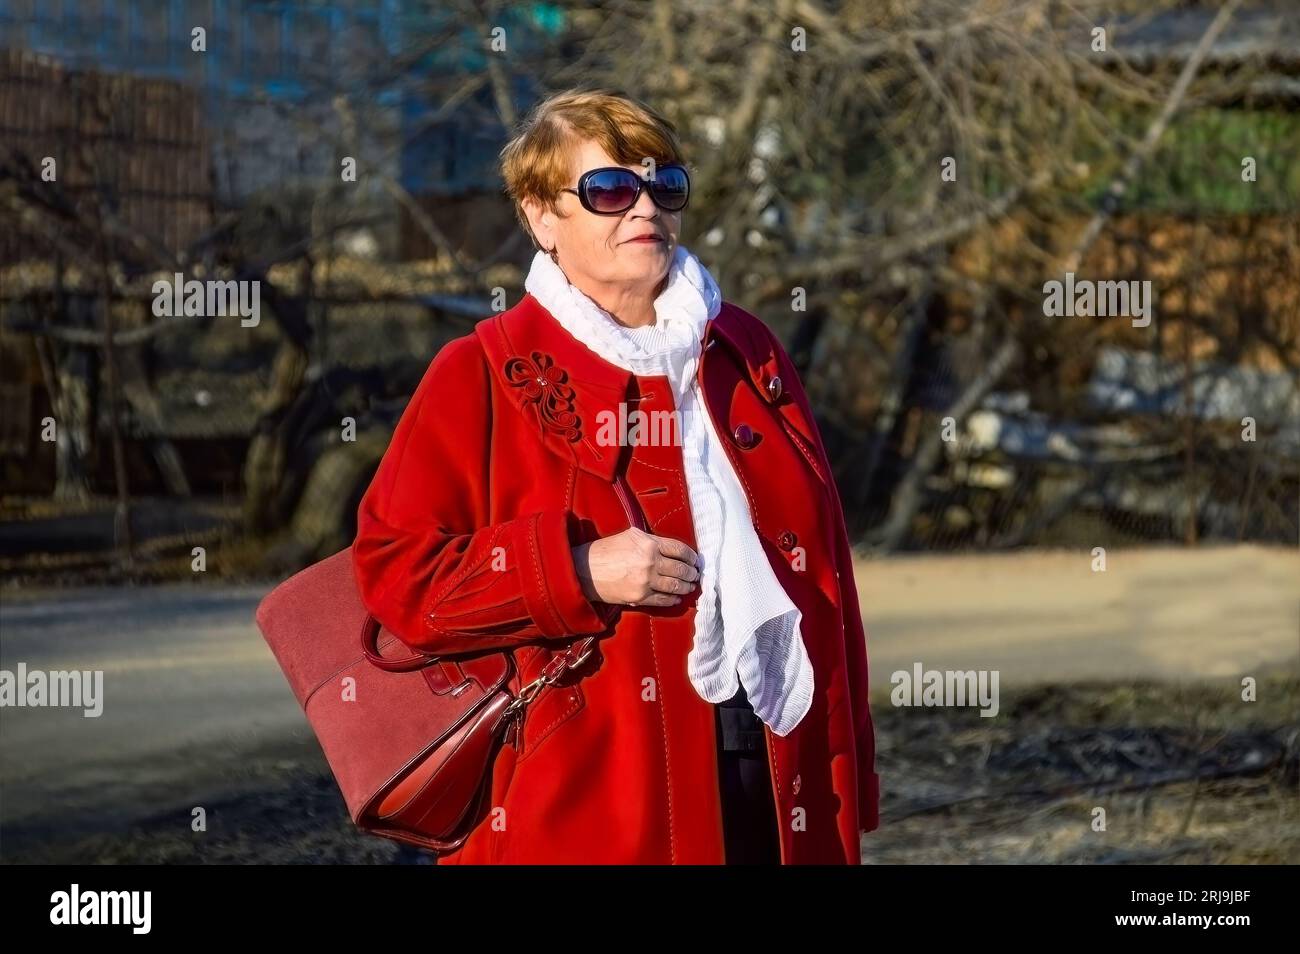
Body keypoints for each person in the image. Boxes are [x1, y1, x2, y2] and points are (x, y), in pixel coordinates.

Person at [352, 87, 878, 864]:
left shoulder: (746, 349)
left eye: (665, 185)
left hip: (772, 763)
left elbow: (828, 568)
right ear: (540, 216)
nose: (644, 207)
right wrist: (574, 570)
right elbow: (398, 574)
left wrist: (849, 767)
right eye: (608, 189)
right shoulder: (481, 373)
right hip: (586, 793)